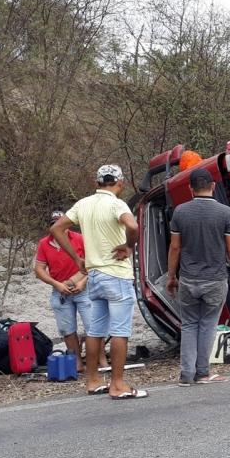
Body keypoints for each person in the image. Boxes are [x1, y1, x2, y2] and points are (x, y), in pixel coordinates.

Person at [51, 164, 146, 399]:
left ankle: (93, 380)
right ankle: (118, 384)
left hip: (94, 275)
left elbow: (57, 228)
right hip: (117, 274)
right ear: (120, 183)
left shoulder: (82, 204)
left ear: (96, 183)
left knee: (95, 330)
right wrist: (129, 246)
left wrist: (76, 258)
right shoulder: (116, 204)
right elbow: (133, 225)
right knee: (120, 331)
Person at [165, 169, 230, 386]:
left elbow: (175, 247)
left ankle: (185, 375)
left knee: (189, 324)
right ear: (213, 186)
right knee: (208, 325)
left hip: (188, 279)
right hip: (215, 280)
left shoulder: (180, 212)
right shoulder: (225, 213)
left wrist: (171, 276)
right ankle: (202, 373)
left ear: (190, 188)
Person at [34, 210, 108, 373]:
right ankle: (76, 362)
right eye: (54, 224)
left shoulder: (80, 239)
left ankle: (101, 359)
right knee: (67, 329)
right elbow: (39, 269)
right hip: (60, 290)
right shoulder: (45, 243)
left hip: (84, 288)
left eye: (61, 224)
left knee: (93, 326)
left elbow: (93, 263)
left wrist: (83, 281)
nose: (58, 228)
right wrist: (56, 284)